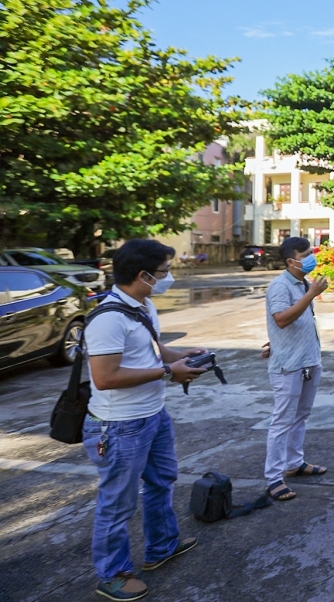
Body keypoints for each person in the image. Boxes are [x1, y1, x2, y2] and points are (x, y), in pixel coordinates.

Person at [83, 239, 208, 602]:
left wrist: (183, 355)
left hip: (152, 415)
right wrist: (169, 371)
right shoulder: (108, 319)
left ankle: (161, 546)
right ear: (143, 275)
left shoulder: (143, 304)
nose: (169, 277)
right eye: (165, 272)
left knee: (161, 481)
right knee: (117, 503)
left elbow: (153, 351)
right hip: (118, 426)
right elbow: (106, 377)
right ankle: (113, 574)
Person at [262, 236, 329, 502]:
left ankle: (294, 462)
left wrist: (308, 291)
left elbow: (291, 323)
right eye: (307, 254)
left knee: (301, 415)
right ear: (291, 261)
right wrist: (312, 294)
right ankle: (273, 478)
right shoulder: (280, 286)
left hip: (308, 360)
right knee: (282, 421)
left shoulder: (301, 283)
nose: (312, 257)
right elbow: (281, 319)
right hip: (288, 365)